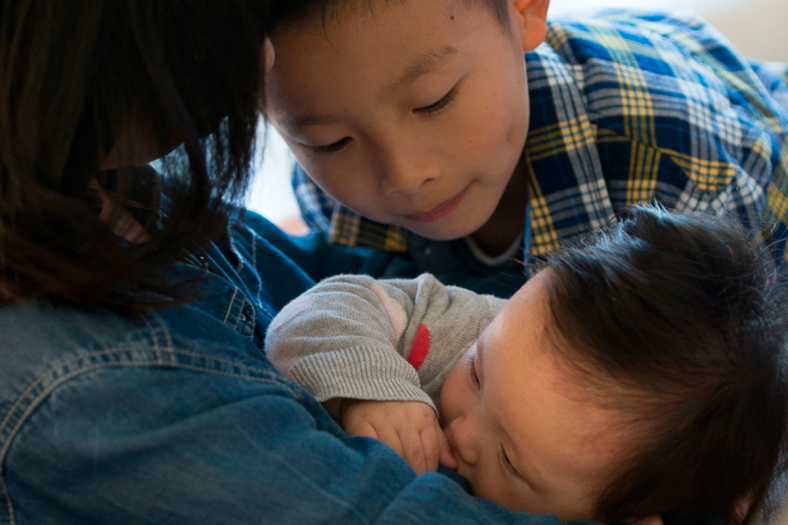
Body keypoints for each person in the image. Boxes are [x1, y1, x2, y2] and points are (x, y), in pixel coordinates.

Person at [0, 1, 611, 524]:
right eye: (326, 143)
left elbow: (355, 287)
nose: (264, 56)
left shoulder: (104, 188)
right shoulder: (76, 385)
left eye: (433, 101)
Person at [265, 205, 788, 525]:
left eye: (510, 460)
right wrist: (372, 389)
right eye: (475, 372)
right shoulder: (463, 327)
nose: (462, 432)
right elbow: (319, 307)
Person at [263, 0, 788, 297]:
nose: (403, 175)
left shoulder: (677, 174)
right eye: (331, 142)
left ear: (524, 9)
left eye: (433, 101)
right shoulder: (328, 189)